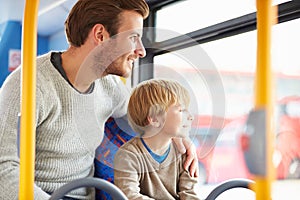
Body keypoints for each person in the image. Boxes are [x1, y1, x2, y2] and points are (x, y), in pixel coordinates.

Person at [0, 0, 197, 199]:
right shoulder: (28, 84)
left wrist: (180, 139)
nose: (141, 51)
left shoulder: (110, 86)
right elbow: (4, 169)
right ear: (100, 35)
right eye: (133, 38)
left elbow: (149, 117)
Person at [114, 79, 199, 200]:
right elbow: (129, 196)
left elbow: (190, 195)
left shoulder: (184, 154)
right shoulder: (128, 155)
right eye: (181, 110)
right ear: (154, 119)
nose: (191, 117)